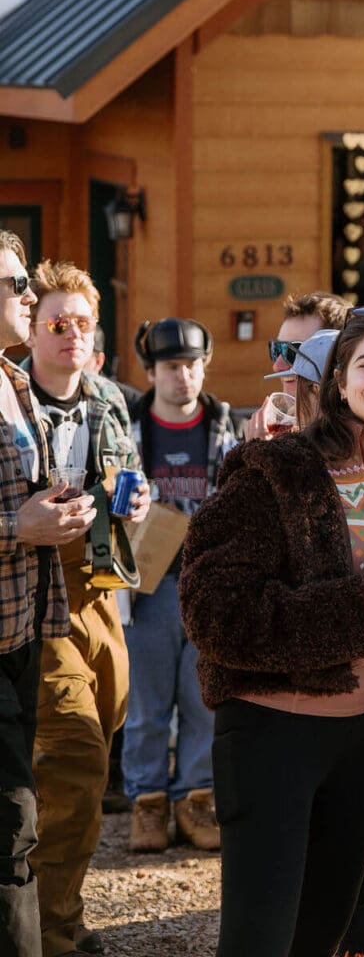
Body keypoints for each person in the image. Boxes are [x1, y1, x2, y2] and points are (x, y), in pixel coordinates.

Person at [179, 308, 364, 957]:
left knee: (328, 938)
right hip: (271, 734)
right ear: (335, 383)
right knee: (261, 941)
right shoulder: (274, 469)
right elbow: (215, 615)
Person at [24, 261, 150, 957]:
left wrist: (137, 501)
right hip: (33, 595)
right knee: (74, 757)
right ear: (31, 335)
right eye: (56, 323)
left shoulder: (109, 398)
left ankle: (52, 910)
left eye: (81, 324)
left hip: (101, 593)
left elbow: (132, 477)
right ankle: (54, 936)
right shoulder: (9, 403)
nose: (70, 334)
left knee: (102, 739)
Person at [0, 231, 96, 957]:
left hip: (29, 629)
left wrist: (59, 514)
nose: (28, 297)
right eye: (14, 285)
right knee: (14, 828)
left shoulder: (13, 383)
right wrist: (16, 525)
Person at [122, 318, 237, 853]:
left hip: (209, 584)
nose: (183, 376)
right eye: (171, 367)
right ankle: (146, 804)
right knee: (146, 705)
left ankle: (196, 798)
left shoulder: (225, 428)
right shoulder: (129, 429)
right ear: (150, 372)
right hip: (148, 586)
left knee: (202, 700)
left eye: (191, 365)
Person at [244, 291, 350, 440]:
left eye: (294, 351)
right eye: (277, 349)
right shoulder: (285, 435)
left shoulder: (354, 441)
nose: (277, 366)